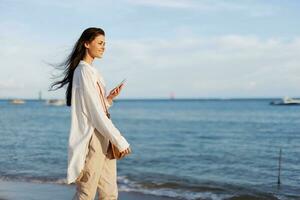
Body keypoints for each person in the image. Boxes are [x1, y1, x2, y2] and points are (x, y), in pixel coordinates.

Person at [49, 27, 131, 199]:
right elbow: (95, 114)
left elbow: (95, 108)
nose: (103, 47)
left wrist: (108, 99)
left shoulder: (92, 71)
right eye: (100, 43)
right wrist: (119, 140)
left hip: (103, 134)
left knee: (109, 193)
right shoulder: (84, 71)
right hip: (94, 136)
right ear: (86, 44)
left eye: (105, 44)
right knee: (86, 191)